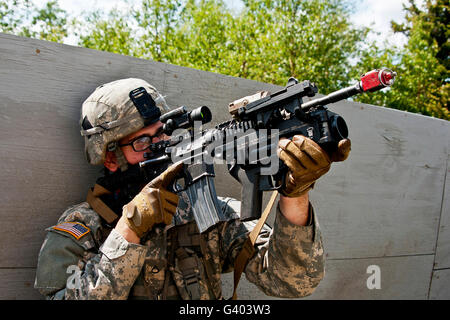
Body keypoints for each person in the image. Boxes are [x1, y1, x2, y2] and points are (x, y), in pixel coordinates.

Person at [34, 78, 351, 300]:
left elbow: (293, 281)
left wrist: (296, 195)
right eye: (142, 141)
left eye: (162, 134)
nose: (159, 145)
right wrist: (128, 233)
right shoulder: (81, 229)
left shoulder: (205, 209)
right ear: (110, 157)